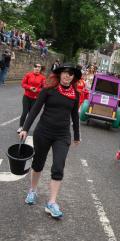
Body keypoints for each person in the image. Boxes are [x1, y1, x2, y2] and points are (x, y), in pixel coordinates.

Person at [19, 63, 82, 219]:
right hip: (44, 132)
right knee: (38, 163)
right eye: (66, 73)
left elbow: (74, 116)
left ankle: (52, 202)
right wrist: (25, 128)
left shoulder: (75, 94)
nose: (68, 76)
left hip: (62, 135)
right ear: (60, 74)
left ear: (74, 77)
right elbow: (35, 109)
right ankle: (32, 191)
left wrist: (76, 135)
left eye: (71, 74)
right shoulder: (48, 90)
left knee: (58, 166)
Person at [18, 63, 46, 133]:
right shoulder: (28, 75)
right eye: (36, 67)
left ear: (40, 69)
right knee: (24, 112)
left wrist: (37, 90)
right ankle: (21, 127)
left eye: (39, 67)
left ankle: (26, 128)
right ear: (33, 68)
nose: (37, 68)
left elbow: (44, 88)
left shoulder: (42, 77)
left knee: (31, 114)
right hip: (27, 97)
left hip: (35, 99)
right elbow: (23, 84)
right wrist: (30, 87)